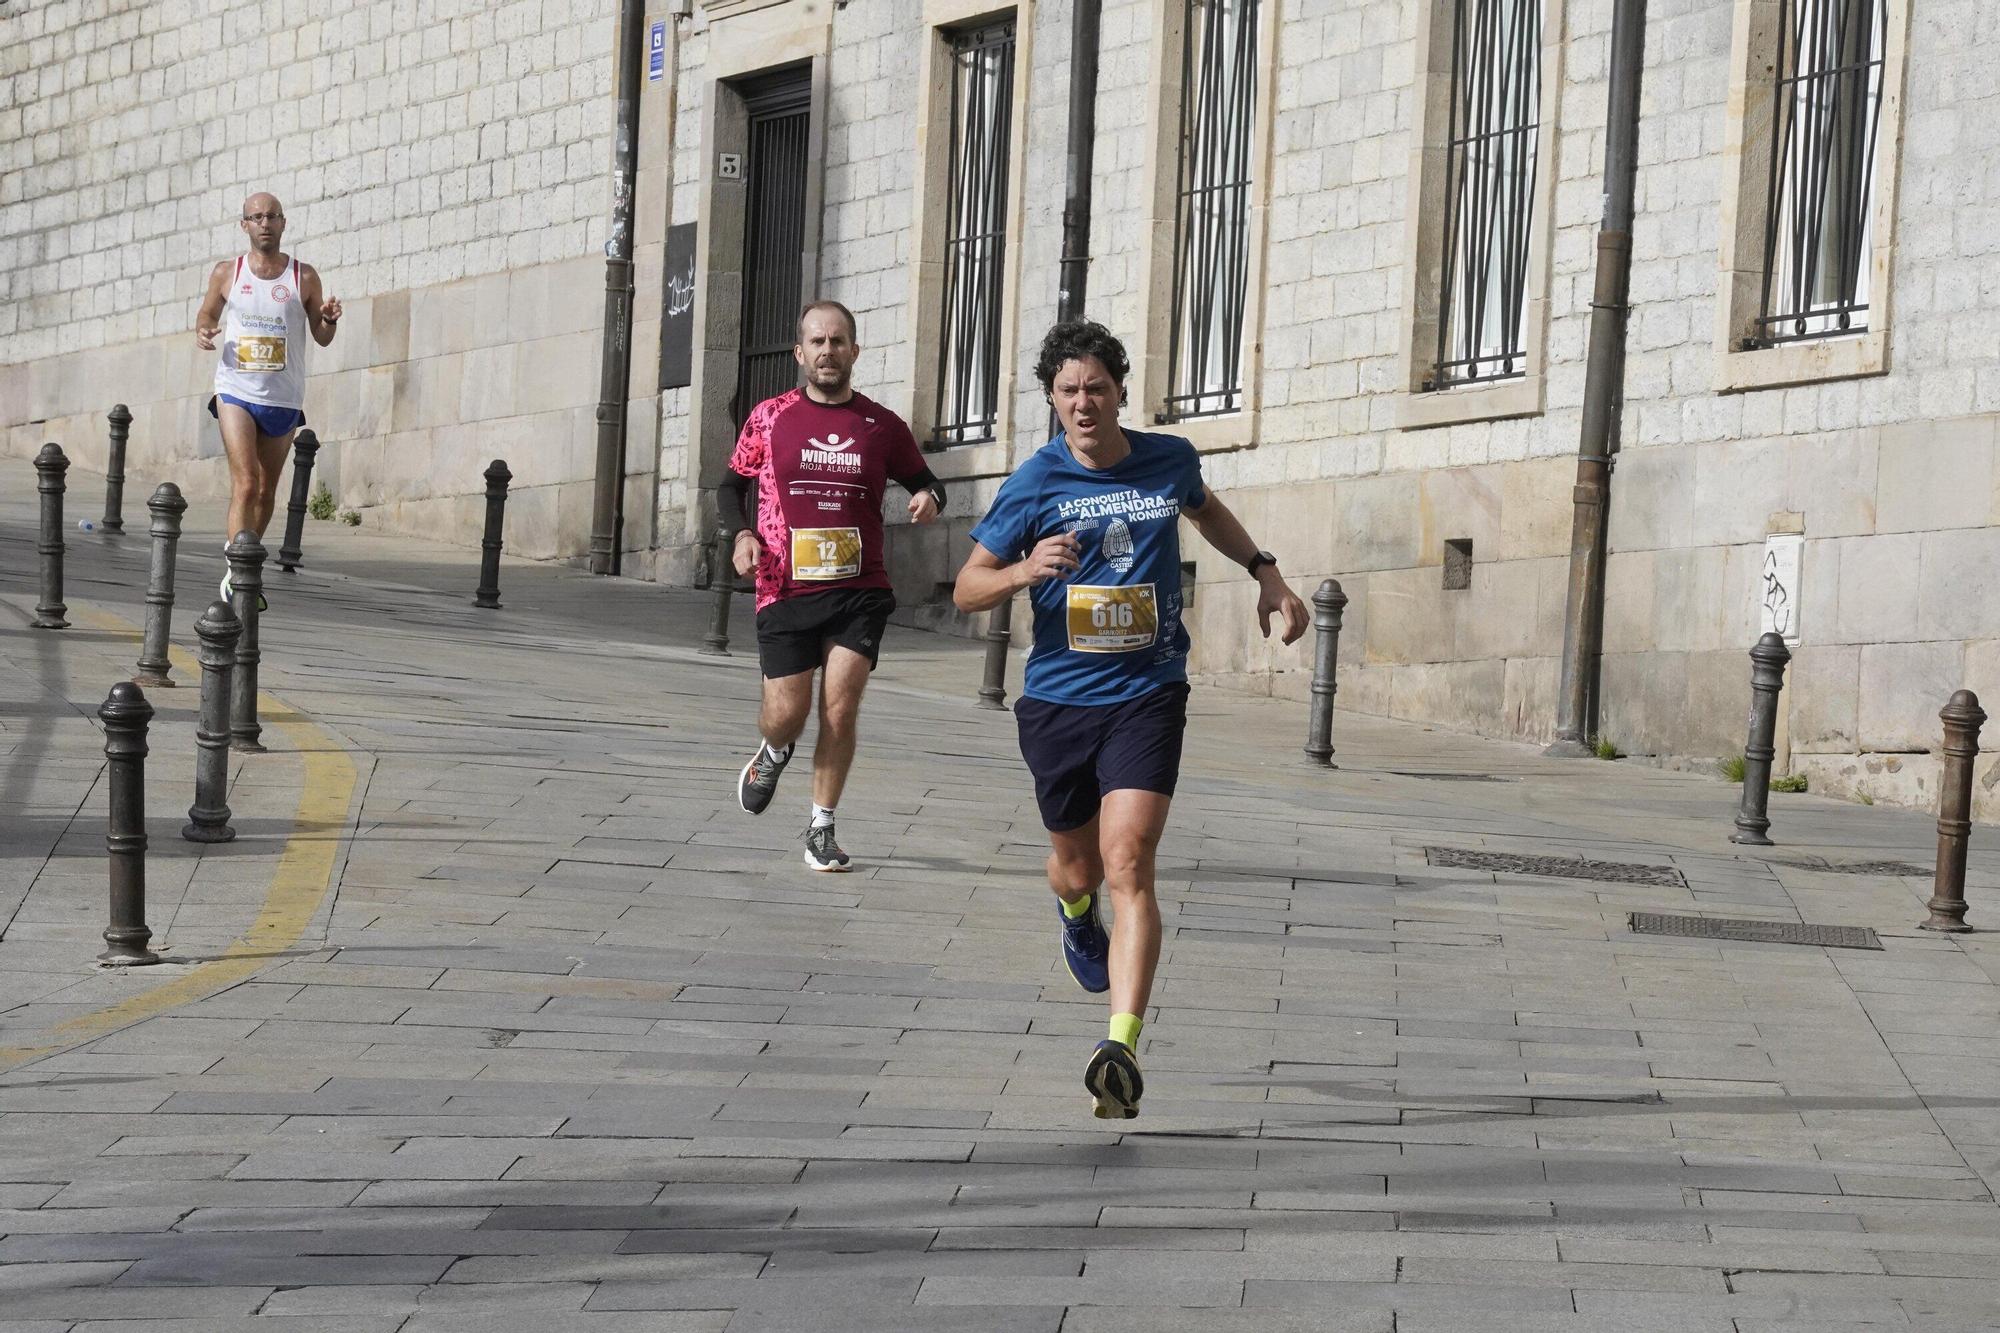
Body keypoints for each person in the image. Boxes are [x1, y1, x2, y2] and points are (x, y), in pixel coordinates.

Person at [952, 320, 1309, 1119]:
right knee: (1078, 869)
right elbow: (967, 586)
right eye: (1068, 391)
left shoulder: (1167, 460)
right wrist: (1022, 569)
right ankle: (1075, 915)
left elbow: (1206, 511)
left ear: (1119, 392)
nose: (1083, 404)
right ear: (1053, 398)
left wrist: (1266, 572)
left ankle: (1120, 1047)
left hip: (1148, 693)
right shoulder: (1034, 482)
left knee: (1130, 860)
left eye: (1096, 389)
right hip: (1058, 701)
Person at [720, 300, 947, 871]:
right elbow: (729, 487)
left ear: (854, 351)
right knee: (787, 714)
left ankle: (822, 827)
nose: (828, 351)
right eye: (818, 342)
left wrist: (928, 497)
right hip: (784, 585)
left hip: (859, 589)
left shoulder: (882, 426)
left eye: (838, 341)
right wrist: (742, 534)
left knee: (840, 710)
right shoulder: (769, 417)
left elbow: (928, 482)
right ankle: (774, 750)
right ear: (800, 353)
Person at [194, 192, 341, 600]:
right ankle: (236, 573)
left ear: (283, 223)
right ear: (244, 225)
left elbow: (322, 336)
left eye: (272, 216)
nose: (264, 223)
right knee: (246, 482)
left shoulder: (303, 277)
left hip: (283, 397)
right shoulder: (228, 272)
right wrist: (203, 330)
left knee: (265, 491)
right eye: (256, 217)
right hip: (235, 390)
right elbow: (207, 313)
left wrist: (328, 320)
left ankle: (246, 556)